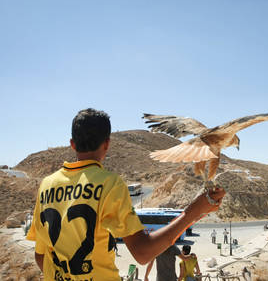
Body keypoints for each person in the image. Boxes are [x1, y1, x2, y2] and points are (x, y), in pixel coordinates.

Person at [26, 108, 225, 281]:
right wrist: (191, 213)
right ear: (107, 144)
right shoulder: (109, 184)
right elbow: (143, 253)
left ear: (72, 144)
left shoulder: (46, 185)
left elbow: (40, 257)